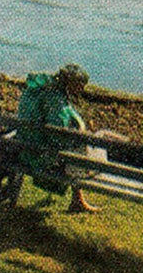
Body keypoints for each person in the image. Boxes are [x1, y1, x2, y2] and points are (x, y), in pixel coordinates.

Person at [16, 63, 99, 213]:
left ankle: (77, 199)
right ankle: (77, 201)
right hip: (37, 154)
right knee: (79, 152)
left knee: (78, 148)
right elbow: (57, 135)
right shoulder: (55, 99)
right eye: (80, 86)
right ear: (71, 83)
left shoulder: (40, 87)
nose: (81, 90)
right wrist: (77, 137)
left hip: (23, 144)